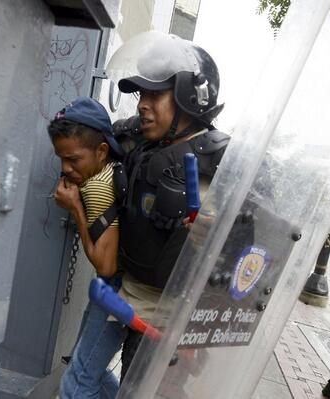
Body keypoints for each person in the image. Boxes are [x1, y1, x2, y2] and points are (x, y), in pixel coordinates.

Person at [106, 32, 231, 380]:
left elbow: (241, 253)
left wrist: (216, 238)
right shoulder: (145, 146)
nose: (143, 103)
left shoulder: (217, 169)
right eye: (142, 94)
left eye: (156, 94)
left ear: (191, 99)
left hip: (164, 323)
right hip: (126, 297)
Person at [49, 96, 126, 398]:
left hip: (115, 292)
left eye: (74, 159)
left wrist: (75, 210)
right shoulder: (112, 170)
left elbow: (105, 266)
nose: (66, 168)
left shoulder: (97, 187)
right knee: (85, 368)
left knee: (76, 383)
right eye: (61, 159)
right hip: (115, 292)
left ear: (101, 151)